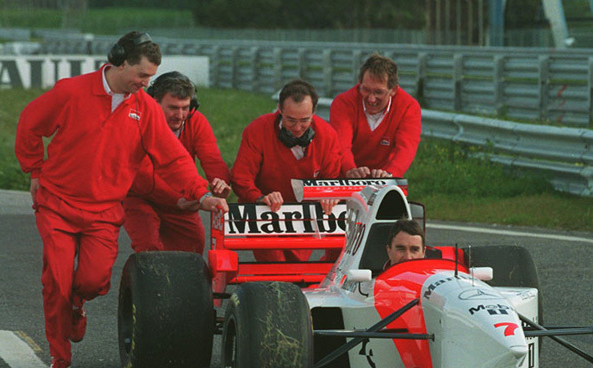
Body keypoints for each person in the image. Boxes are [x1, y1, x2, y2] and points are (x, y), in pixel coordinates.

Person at [15, 31, 228, 368]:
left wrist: (201, 193)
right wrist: (34, 169)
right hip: (57, 203)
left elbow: (173, 159)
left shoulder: (144, 108)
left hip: (103, 210)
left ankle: (78, 301)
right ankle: (60, 358)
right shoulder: (71, 92)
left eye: (149, 77)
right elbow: (29, 124)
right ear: (120, 61)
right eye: (142, 76)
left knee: (94, 279)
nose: (146, 83)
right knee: (56, 278)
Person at [230, 78, 343, 262]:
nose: (297, 128)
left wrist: (328, 193)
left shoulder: (327, 135)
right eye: (290, 120)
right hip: (266, 212)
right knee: (274, 267)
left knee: (297, 267)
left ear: (314, 113)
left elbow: (332, 177)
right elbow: (241, 178)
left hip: (304, 215)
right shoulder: (257, 130)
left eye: (304, 120)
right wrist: (259, 198)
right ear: (279, 110)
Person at [123, 71, 231, 254]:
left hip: (182, 199)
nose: (180, 115)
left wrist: (220, 184)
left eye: (185, 107)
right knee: (148, 247)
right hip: (140, 197)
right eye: (173, 107)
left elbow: (212, 159)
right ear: (153, 102)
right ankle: (135, 281)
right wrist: (181, 199)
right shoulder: (137, 123)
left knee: (193, 248)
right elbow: (142, 174)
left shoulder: (196, 121)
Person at [329, 53, 422, 179]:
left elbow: (406, 148)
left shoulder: (409, 107)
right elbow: (341, 144)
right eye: (366, 90)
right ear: (359, 83)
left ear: (393, 90)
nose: (371, 99)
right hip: (346, 177)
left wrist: (389, 173)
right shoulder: (343, 103)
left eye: (379, 92)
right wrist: (350, 170)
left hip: (385, 178)